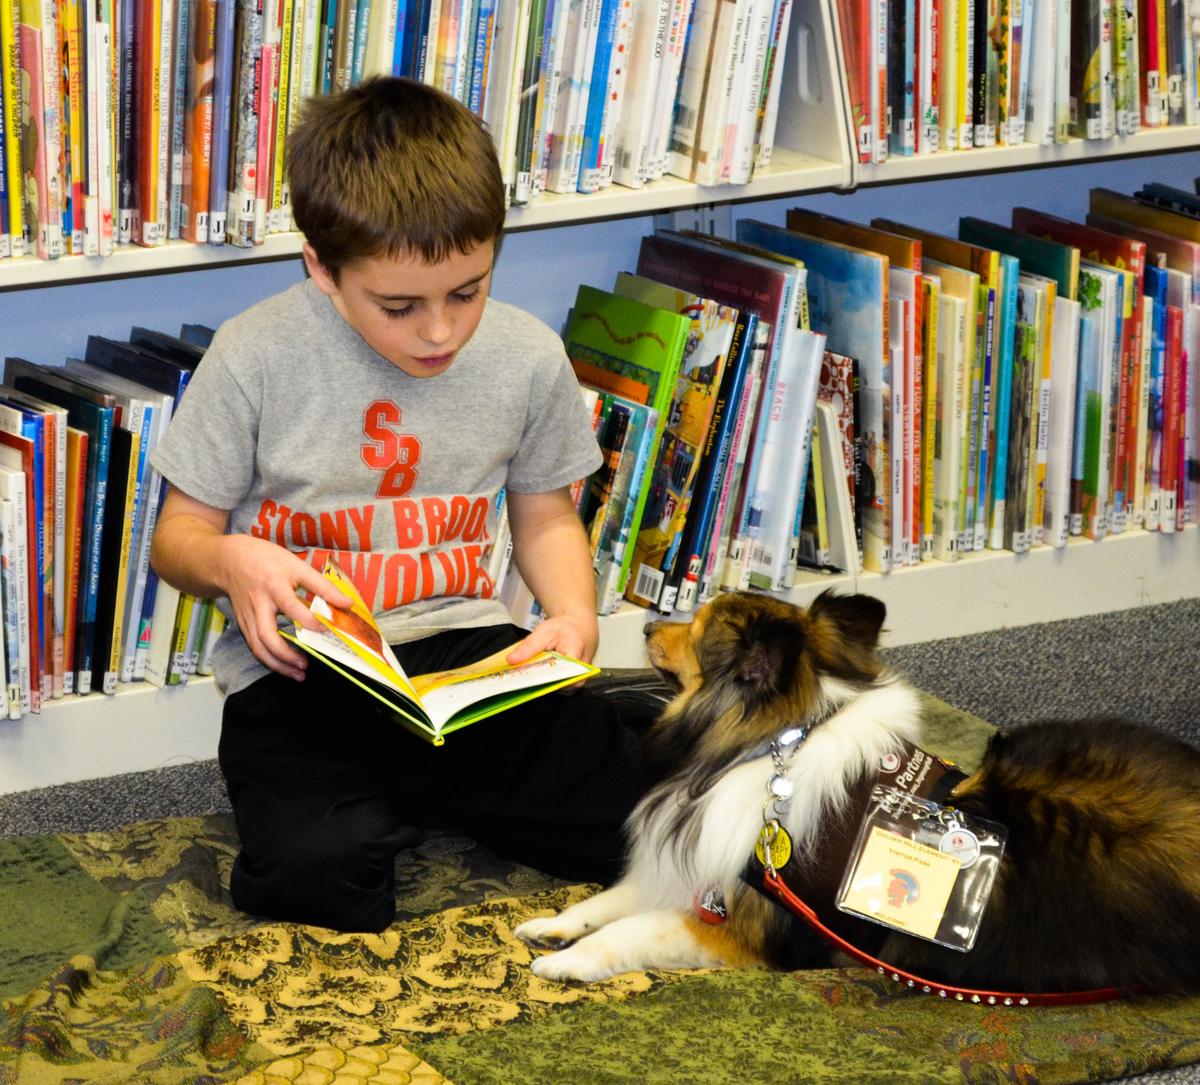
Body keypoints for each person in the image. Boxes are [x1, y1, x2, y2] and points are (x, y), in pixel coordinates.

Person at [149, 76, 649, 934]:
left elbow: (545, 515)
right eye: (399, 305)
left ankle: (470, 773)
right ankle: (419, 793)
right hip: (307, 671)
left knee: (656, 825)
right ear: (321, 266)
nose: (440, 331)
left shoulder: (527, 356)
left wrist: (573, 616)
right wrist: (231, 559)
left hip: (472, 658)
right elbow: (178, 536)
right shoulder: (253, 356)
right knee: (314, 877)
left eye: (468, 291)